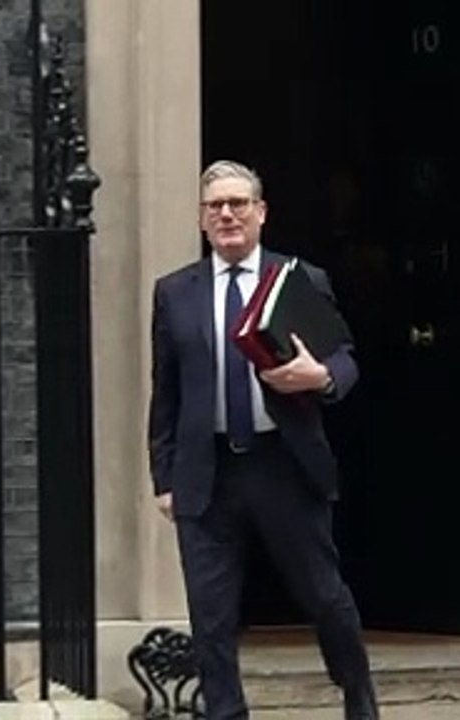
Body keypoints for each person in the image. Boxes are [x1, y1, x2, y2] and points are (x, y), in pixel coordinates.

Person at [147, 160, 378, 720]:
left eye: (238, 204)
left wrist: (317, 378)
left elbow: (345, 358)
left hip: (285, 465)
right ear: (203, 220)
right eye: (215, 206)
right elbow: (166, 392)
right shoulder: (175, 293)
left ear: (261, 212)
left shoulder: (298, 280)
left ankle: (357, 695)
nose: (227, 214)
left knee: (325, 596)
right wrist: (163, 476)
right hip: (208, 472)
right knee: (211, 617)